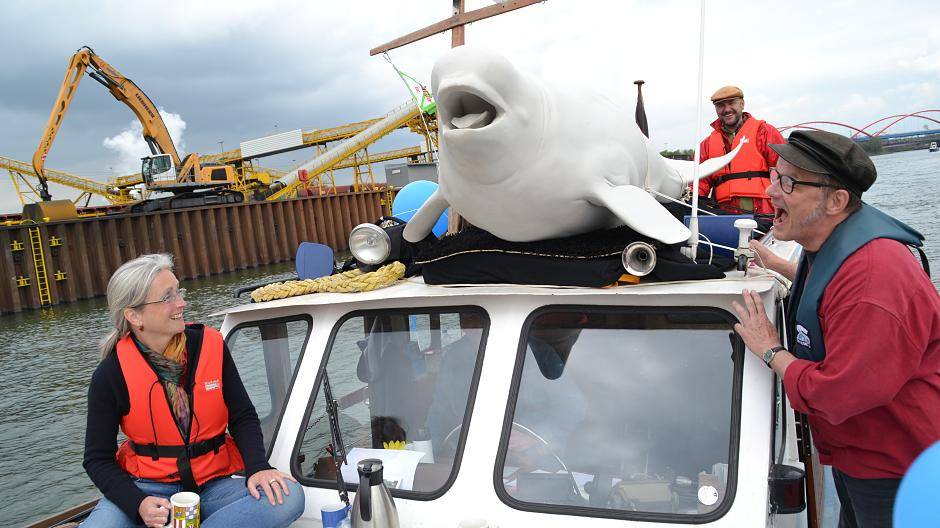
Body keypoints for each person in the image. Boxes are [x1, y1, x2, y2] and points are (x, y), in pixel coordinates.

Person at [731, 131, 940, 527]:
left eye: (789, 183)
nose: (772, 191)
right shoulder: (833, 247)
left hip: (897, 468)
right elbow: (833, 292)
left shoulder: (875, 278)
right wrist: (780, 265)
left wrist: (772, 350)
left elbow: (839, 393)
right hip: (862, 455)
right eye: (775, 176)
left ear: (836, 200)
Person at [81, 254, 305, 528]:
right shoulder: (110, 374)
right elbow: (97, 459)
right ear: (134, 315)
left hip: (214, 486)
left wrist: (258, 467)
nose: (181, 303)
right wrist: (137, 504)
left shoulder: (210, 345)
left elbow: (242, 415)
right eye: (168, 297)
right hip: (147, 490)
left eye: (178, 291)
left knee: (289, 496)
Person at [696, 86, 786, 214]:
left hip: (764, 213)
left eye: (732, 103)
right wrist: (692, 201)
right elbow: (699, 182)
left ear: (742, 104)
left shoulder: (765, 132)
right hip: (724, 214)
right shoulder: (707, 144)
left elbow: (785, 172)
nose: (727, 109)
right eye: (720, 105)